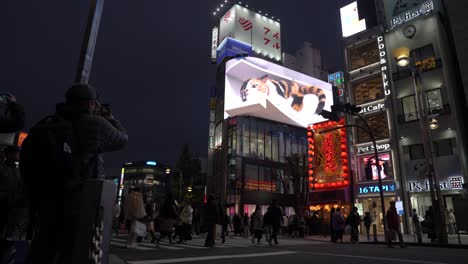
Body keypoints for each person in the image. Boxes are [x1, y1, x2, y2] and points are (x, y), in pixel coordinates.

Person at [21, 83, 127, 263]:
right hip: (80, 198)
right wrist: (110, 117)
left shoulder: (49, 123)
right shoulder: (95, 124)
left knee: (43, 246)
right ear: (91, 103)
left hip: (47, 199)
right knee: (74, 249)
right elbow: (122, 139)